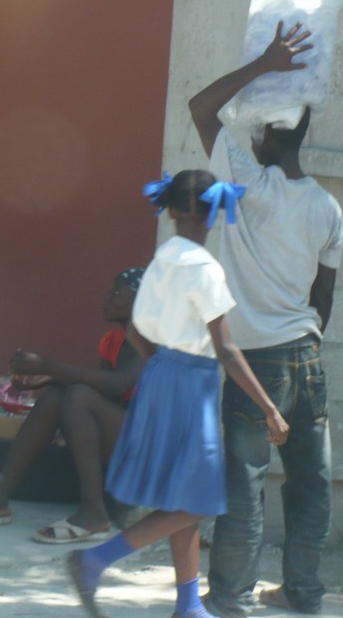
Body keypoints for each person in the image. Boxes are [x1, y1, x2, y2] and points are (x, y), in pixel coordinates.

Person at [67, 169, 289, 618]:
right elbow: (226, 347)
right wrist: (270, 409)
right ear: (214, 214)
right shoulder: (206, 269)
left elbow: (133, 329)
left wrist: (164, 366)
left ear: (168, 210)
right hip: (191, 386)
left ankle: (188, 605)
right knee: (201, 501)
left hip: (161, 375)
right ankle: (95, 560)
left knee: (180, 499)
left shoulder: (163, 256)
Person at [188, 21, 343, 617]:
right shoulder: (329, 207)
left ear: (265, 140)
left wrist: (264, 63)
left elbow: (202, 106)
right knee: (310, 484)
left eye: (256, 133)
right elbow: (323, 297)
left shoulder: (247, 184)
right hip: (307, 355)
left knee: (245, 483)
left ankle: (228, 595)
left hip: (257, 363)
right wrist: (303, 335)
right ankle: (302, 592)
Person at [0, 268, 146, 543]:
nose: (107, 298)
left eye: (116, 294)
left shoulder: (151, 340)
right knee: (58, 396)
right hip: (120, 433)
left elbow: (118, 384)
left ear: (141, 301)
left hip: (148, 446)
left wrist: (50, 366)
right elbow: (105, 392)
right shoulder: (111, 342)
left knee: (77, 395)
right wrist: (50, 378)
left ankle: (94, 512)